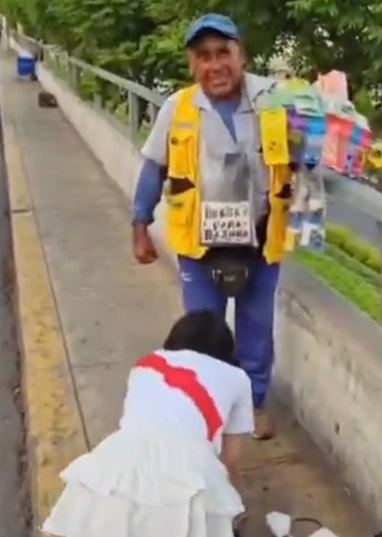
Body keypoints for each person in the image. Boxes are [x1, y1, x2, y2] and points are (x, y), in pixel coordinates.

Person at [131, 14, 300, 440]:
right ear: (193, 65)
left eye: (223, 53)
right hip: (198, 245)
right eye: (203, 56)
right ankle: (201, 409)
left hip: (260, 242)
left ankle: (253, 407)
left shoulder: (273, 101)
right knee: (202, 333)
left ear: (241, 55)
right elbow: (154, 168)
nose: (215, 65)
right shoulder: (179, 108)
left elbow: (309, 149)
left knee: (255, 335)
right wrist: (139, 223)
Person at [42, 310, 254, 537]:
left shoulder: (145, 365)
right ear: (226, 351)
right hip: (189, 468)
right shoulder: (237, 379)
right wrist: (228, 512)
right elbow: (232, 459)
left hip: (125, 463)